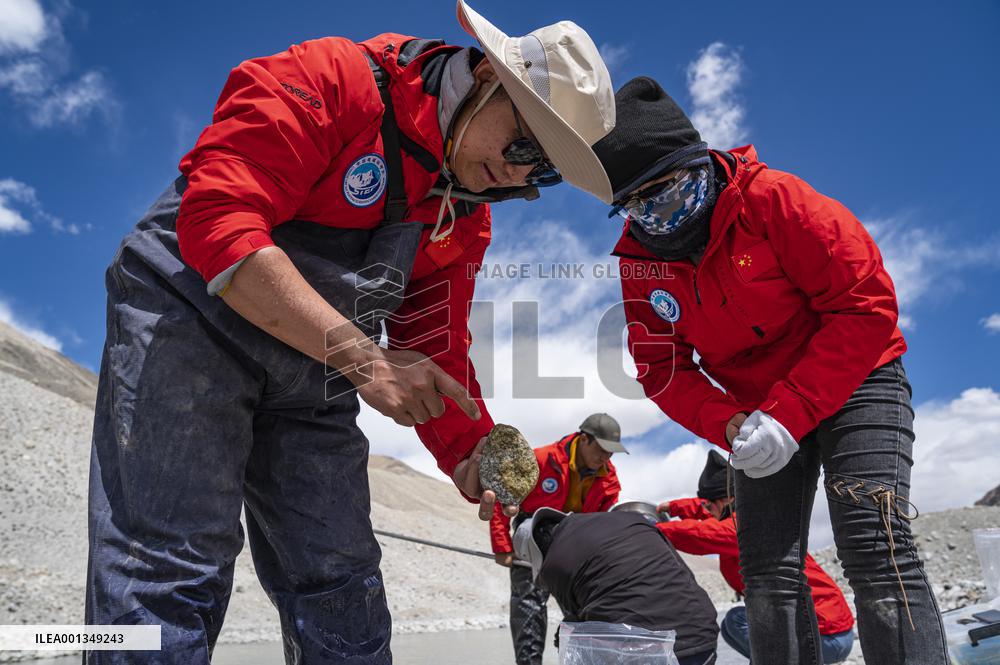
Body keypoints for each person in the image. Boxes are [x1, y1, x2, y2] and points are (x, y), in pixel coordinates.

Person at [83, 2, 617, 662]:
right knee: (165, 568)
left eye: (543, 170)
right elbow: (219, 218)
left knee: (343, 586)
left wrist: (470, 451)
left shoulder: (461, 215)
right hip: (188, 323)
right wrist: (364, 361)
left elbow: (432, 340)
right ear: (486, 74)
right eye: (524, 144)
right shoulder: (333, 78)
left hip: (313, 375)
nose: (517, 173)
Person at [592, 76, 949, 664]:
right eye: (635, 207)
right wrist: (729, 426)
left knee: (873, 545)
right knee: (765, 569)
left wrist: (791, 411)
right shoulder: (641, 263)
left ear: (700, 166)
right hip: (755, 414)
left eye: (667, 194)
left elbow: (865, 304)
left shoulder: (777, 200)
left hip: (859, 378)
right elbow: (661, 369)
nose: (656, 219)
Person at [658, 451, 854, 663]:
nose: (706, 509)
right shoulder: (745, 513)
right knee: (732, 626)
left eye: (709, 505)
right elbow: (705, 509)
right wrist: (674, 507)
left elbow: (700, 533)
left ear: (728, 500)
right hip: (830, 627)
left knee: (737, 620)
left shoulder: (744, 528)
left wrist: (654, 529)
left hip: (827, 634)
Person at [490, 413, 625, 665]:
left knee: (584, 611)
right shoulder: (541, 459)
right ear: (584, 439)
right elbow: (503, 498)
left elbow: (602, 522)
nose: (606, 458)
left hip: (576, 543)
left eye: (611, 453)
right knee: (528, 609)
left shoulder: (609, 480)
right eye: (602, 450)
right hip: (531, 536)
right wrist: (502, 545)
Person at [514, 507, 720, 665]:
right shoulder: (632, 520)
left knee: (567, 636)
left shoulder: (554, 564)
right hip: (704, 643)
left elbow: (576, 622)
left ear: (539, 552)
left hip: (652, 657)